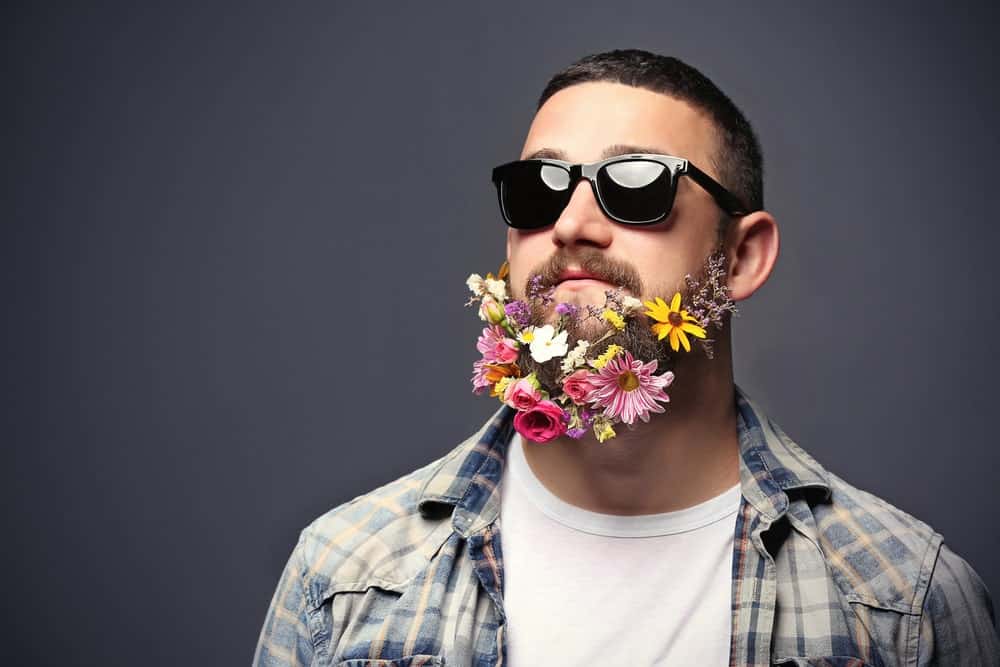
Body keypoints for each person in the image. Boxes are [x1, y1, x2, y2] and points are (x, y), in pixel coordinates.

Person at [253, 49, 999, 666]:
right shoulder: (341, 579)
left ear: (741, 256)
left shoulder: (908, 606)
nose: (573, 223)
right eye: (537, 188)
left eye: (636, 185)